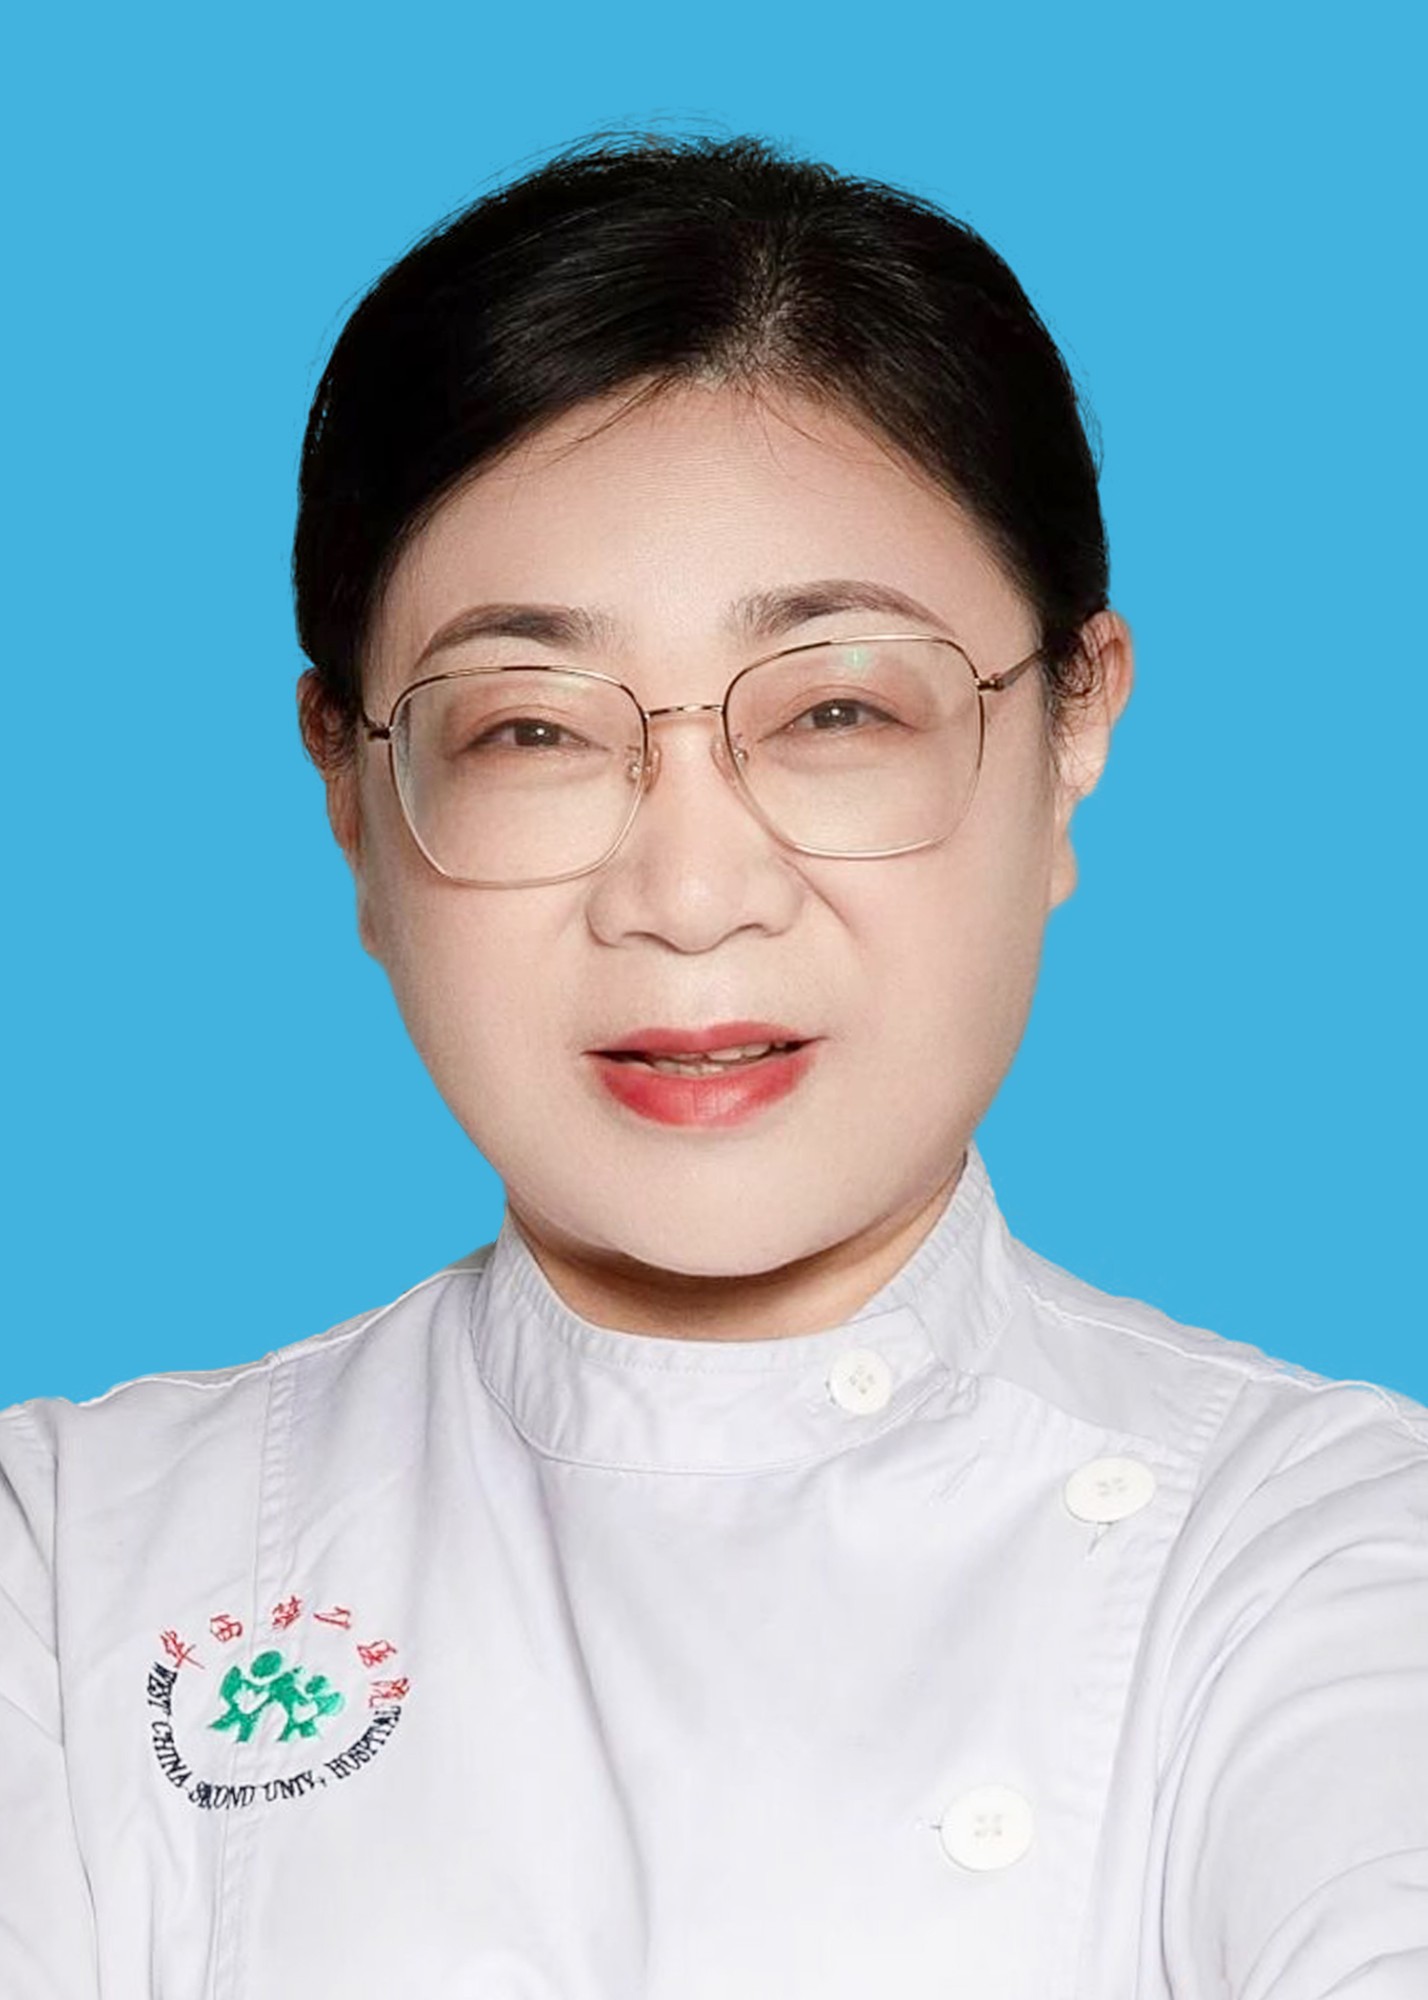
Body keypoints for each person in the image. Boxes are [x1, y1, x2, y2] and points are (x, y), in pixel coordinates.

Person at [2, 133, 1425, 2000]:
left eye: (837, 707)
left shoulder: (1324, 1549)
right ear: (351, 795)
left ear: (1074, 728)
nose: (688, 897)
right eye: (528, 729)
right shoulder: (70, 1568)